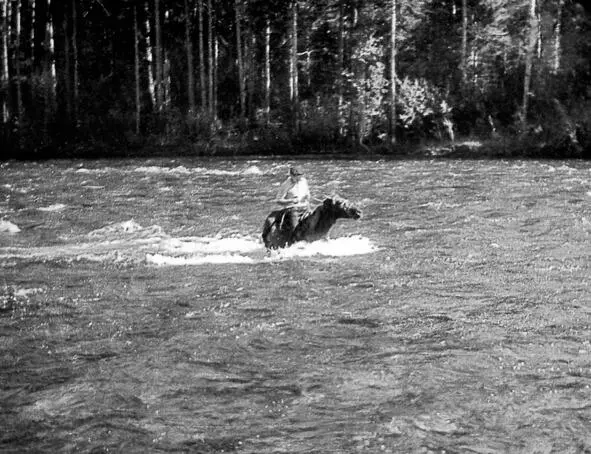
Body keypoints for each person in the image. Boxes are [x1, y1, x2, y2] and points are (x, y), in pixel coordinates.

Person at [274, 166, 311, 235]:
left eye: (299, 176)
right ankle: (294, 242)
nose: (298, 178)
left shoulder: (304, 181)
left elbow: (308, 195)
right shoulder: (286, 184)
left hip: (305, 208)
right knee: (296, 231)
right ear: (291, 175)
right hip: (293, 210)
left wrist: (307, 197)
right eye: (296, 176)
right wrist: (291, 201)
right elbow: (278, 200)